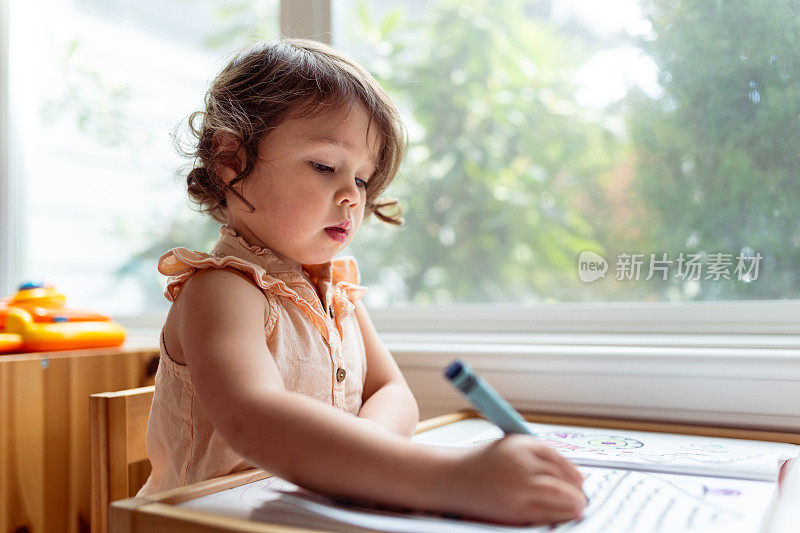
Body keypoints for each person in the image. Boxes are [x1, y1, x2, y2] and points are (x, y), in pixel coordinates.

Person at [137, 38, 587, 526]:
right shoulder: (222, 290)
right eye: (325, 166)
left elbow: (392, 390)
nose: (352, 197)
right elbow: (255, 419)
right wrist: (448, 478)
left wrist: (366, 460)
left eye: (363, 180)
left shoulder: (336, 293)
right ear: (230, 160)